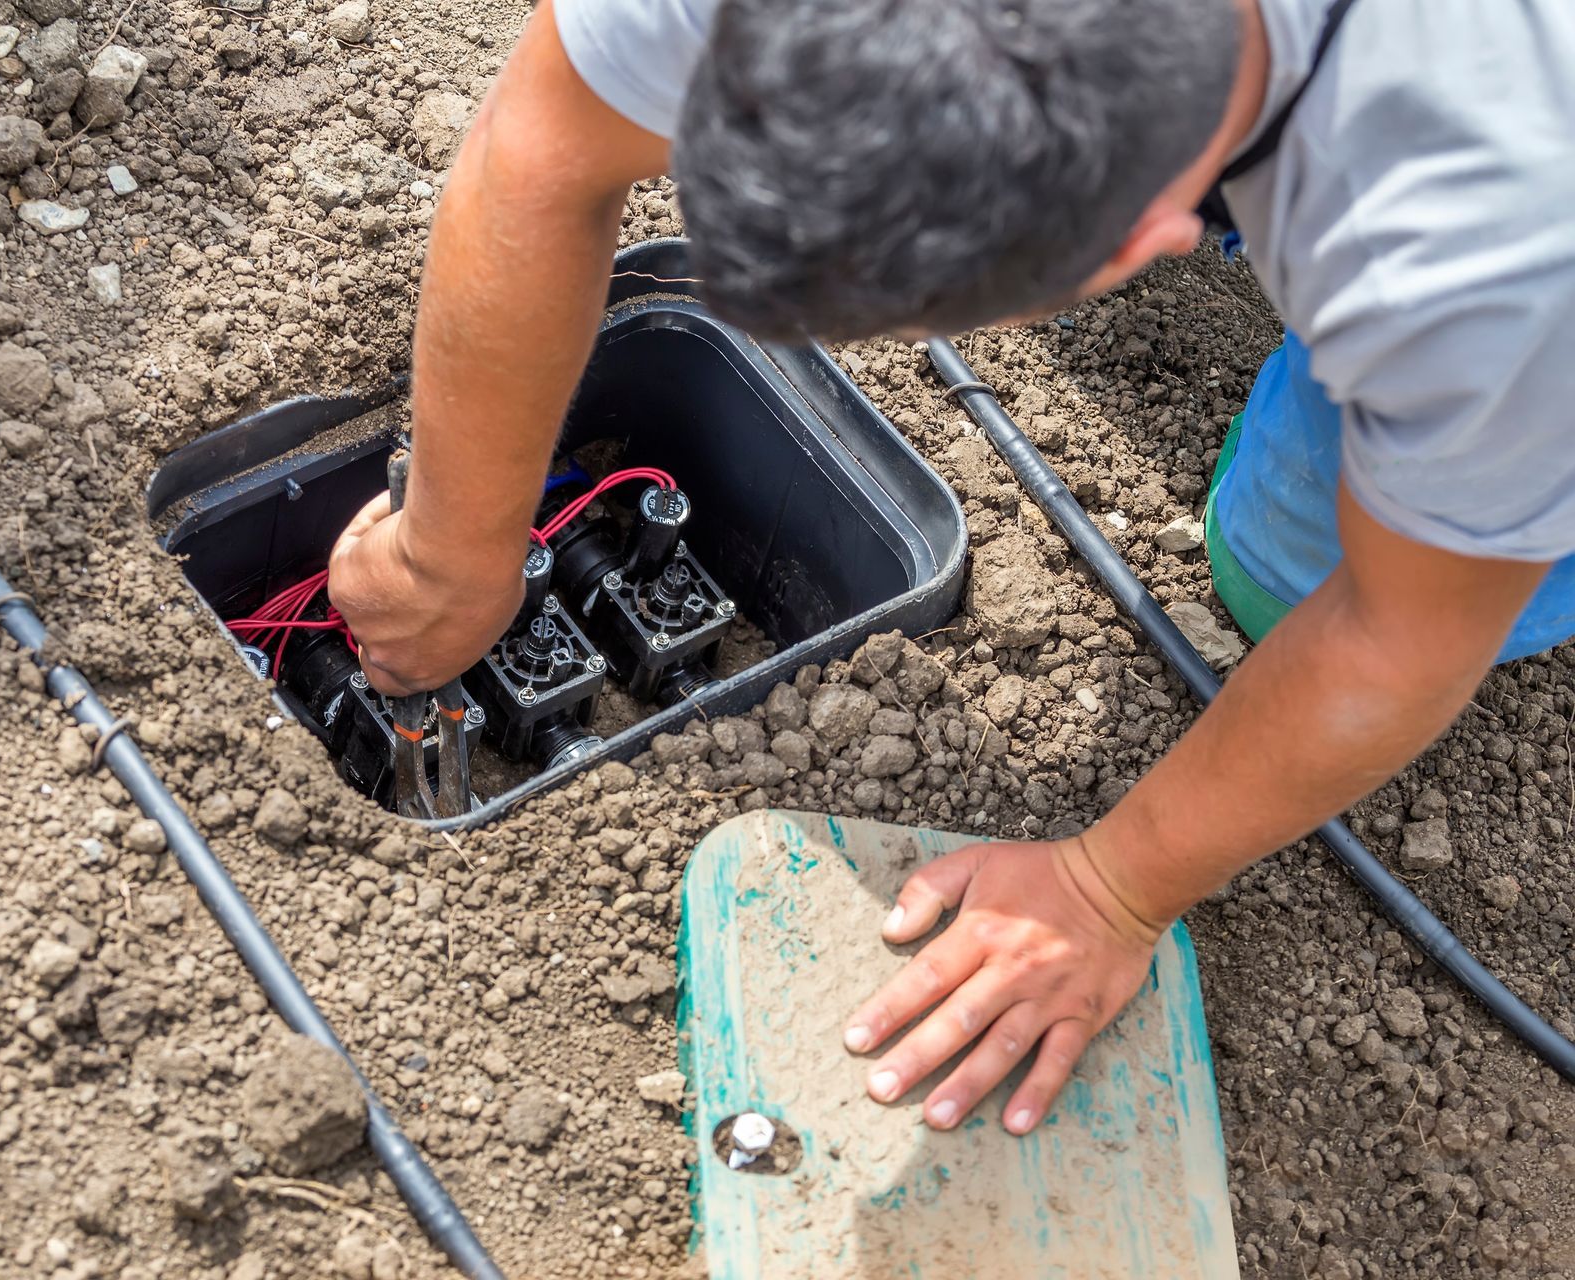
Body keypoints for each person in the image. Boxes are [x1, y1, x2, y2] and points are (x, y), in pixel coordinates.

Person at [328, 0, 1575, 1137]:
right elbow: (546, 143)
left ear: (1144, 247)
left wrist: (1111, 889)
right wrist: (451, 545)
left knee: (1291, 573)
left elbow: (1397, 635)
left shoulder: (1489, 249)